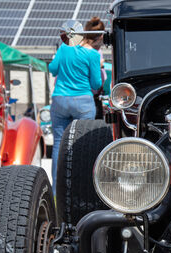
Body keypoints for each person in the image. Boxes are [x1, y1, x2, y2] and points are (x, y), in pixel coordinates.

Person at [49, 17, 104, 194]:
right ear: (98, 37)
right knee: (84, 143)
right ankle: (83, 188)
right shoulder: (93, 55)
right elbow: (96, 84)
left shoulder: (65, 48)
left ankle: (57, 190)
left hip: (60, 100)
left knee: (58, 143)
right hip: (83, 102)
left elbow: (53, 69)